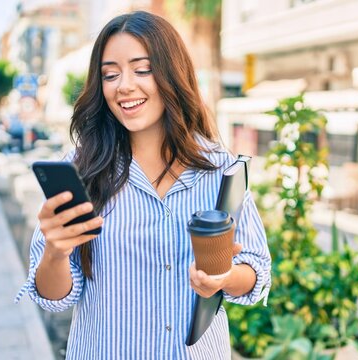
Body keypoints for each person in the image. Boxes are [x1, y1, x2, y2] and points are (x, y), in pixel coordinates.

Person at [15, 11, 271, 359]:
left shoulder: (219, 167)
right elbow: (53, 297)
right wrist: (56, 252)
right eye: (110, 74)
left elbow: (256, 271)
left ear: (171, 73)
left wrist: (224, 277)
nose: (123, 85)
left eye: (142, 69)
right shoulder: (79, 170)